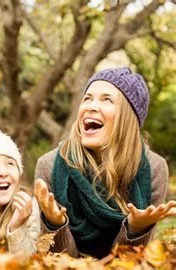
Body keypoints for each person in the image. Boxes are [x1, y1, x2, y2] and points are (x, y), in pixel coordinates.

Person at [34, 67, 175, 258]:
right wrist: (54, 225)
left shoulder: (154, 168)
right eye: (87, 98)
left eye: (107, 99)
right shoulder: (49, 166)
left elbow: (132, 263)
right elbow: (56, 263)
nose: (91, 106)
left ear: (128, 117)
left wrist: (136, 230)